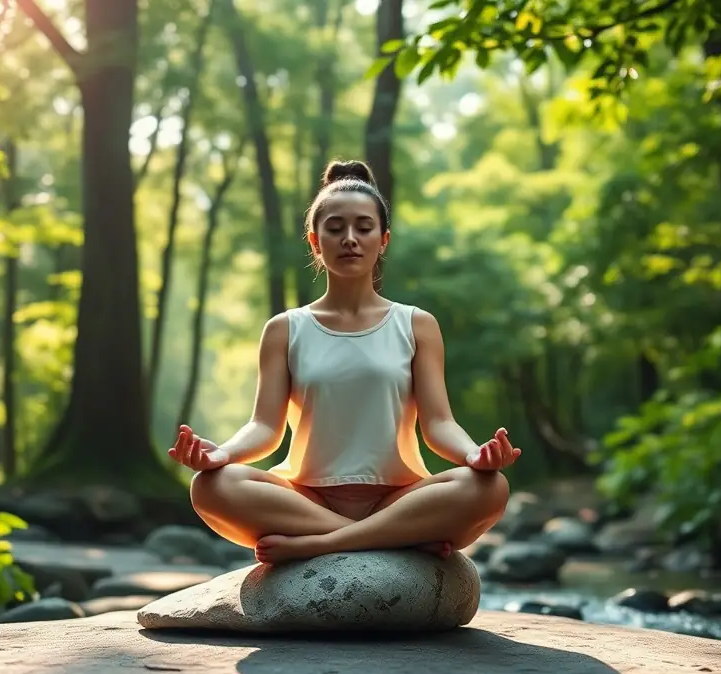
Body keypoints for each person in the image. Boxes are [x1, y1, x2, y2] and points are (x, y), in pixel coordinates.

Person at [168, 159, 521, 565]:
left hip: (399, 497)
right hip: (305, 498)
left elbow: (438, 424)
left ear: (383, 240)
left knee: (490, 488)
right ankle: (395, 540)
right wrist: (222, 455)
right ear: (315, 241)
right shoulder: (285, 329)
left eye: (364, 227)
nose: (350, 239)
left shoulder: (416, 324)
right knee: (210, 487)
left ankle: (322, 543)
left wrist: (475, 455)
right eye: (335, 229)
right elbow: (265, 427)